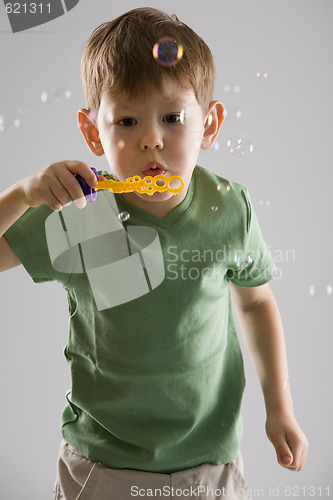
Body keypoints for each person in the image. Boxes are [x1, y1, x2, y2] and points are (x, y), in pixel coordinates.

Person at [0, 7, 308, 500]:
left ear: (210, 124)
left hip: (211, 467)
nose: (151, 139)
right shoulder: (80, 208)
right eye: (126, 119)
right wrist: (22, 194)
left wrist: (280, 407)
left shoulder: (229, 208)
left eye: (172, 117)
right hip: (101, 467)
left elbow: (255, 301)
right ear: (90, 130)